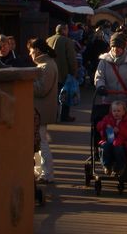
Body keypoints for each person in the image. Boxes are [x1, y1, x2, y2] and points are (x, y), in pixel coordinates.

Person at [28, 37, 59, 184]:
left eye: (31, 50)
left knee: (41, 143)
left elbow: (41, 90)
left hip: (41, 110)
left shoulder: (46, 66)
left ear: (37, 50)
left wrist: (28, 82)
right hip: (41, 109)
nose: (30, 53)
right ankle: (42, 171)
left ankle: (47, 174)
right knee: (40, 142)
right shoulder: (46, 64)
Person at [94, 32, 127, 105]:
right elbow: (99, 77)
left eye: (118, 47)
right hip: (108, 100)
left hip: (126, 100)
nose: (115, 49)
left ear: (123, 47)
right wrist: (101, 86)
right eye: (113, 46)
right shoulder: (104, 61)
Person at [47, 24, 78, 122]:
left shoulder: (48, 40)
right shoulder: (67, 41)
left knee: (53, 95)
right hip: (64, 72)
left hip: (50, 71)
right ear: (64, 30)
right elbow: (71, 58)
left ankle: (52, 115)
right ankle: (64, 116)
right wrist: (74, 71)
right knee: (66, 93)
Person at [96, 100, 127, 177]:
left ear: (124, 112)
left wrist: (120, 130)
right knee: (105, 146)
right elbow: (98, 126)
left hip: (122, 142)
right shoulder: (107, 118)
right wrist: (105, 125)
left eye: (118, 111)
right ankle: (107, 166)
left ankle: (120, 167)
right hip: (108, 140)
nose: (116, 113)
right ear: (111, 111)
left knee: (118, 148)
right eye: (114, 111)